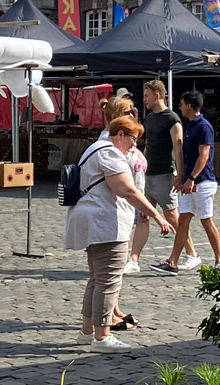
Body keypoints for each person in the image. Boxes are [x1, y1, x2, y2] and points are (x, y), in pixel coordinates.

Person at [64, 113, 174, 350]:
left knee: (96, 279)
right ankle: (102, 336)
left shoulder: (96, 147)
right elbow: (125, 189)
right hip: (105, 223)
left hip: (95, 221)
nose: (135, 144)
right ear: (120, 134)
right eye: (132, 138)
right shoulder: (110, 152)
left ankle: (87, 331)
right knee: (108, 280)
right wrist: (156, 215)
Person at [129, 78, 193, 272]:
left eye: (147, 96)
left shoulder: (172, 119)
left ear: (158, 95)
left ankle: (191, 253)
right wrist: (142, 165)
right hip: (148, 174)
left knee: (172, 217)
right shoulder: (149, 119)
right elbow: (148, 145)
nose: (145, 99)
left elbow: (178, 147)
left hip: (165, 174)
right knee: (143, 216)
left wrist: (180, 174)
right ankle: (134, 260)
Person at [161, 91, 220, 273]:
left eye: (181, 104)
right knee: (183, 221)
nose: (179, 107)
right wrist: (182, 177)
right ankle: (172, 262)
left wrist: (191, 178)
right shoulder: (190, 126)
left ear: (189, 105)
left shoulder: (204, 126)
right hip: (191, 181)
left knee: (206, 220)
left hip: (202, 181)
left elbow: (204, 155)